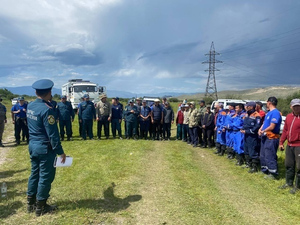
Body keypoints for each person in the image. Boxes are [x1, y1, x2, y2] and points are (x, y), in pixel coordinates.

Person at [26, 79, 66, 217]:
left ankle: (30, 203)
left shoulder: (30, 106)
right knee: (45, 176)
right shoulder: (47, 110)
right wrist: (60, 153)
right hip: (44, 148)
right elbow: (53, 135)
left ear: (36, 92)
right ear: (49, 92)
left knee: (34, 174)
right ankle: (41, 206)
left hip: (33, 145)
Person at [279, 99, 300, 194]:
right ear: (291, 106)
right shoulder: (288, 117)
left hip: (298, 145)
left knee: (299, 167)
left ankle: (298, 186)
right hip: (290, 145)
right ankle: (289, 183)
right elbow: (285, 131)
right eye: (294, 106)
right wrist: (281, 142)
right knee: (289, 164)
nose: (296, 108)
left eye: (298, 106)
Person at [258, 96, 282, 180]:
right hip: (265, 136)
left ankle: (273, 173)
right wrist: (260, 129)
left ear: (269, 103)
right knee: (263, 154)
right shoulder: (269, 113)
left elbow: (272, 126)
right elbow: (265, 123)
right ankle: (265, 169)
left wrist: (263, 130)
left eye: (267, 102)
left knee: (270, 155)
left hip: (271, 137)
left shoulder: (275, 113)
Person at [241, 102, 262, 172]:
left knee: (252, 150)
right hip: (246, 135)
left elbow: (257, 126)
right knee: (246, 149)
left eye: (247, 106)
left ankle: (254, 167)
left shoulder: (257, 115)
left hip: (252, 136)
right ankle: (248, 163)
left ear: (251, 107)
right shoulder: (247, 114)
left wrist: (248, 131)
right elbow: (245, 123)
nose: (246, 107)